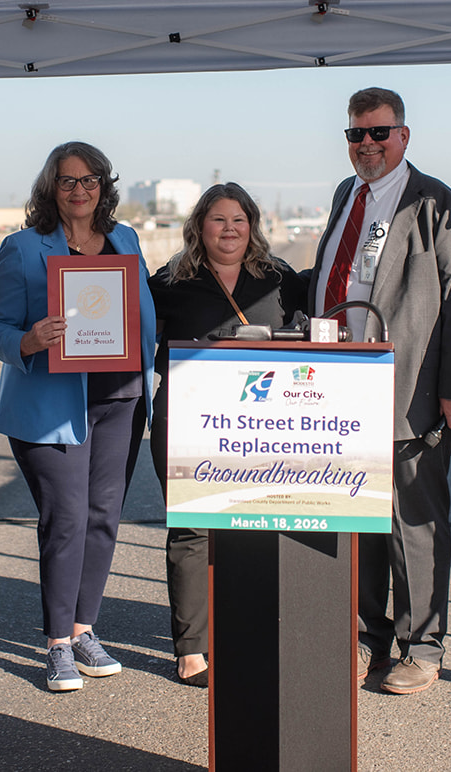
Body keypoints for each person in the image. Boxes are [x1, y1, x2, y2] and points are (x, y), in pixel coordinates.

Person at [309, 86, 451, 696]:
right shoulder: (345, 194)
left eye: (379, 132)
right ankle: (368, 637)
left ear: (403, 136)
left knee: (414, 523)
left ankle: (423, 647)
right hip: (342, 387)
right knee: (360, 519)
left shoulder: (435, 202)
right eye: (356, 134)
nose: (367, 144)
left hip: (409, 390)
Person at [0, 142, 158, 692]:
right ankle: (57, 643)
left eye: (89, 180)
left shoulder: (126, 240)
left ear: (104, 186)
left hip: (122, 400)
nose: (79, 190)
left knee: (104, 516)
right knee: (67, 519)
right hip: (52, 406)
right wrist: (29, 340)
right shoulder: (22, 248)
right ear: (50, 188)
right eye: (67, 181)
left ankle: (84, 630)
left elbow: (146, 312)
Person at [147, 183, 308, 686]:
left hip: (261, 426)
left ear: (252, 225)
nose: (230, 229)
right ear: (200, 226)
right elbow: (126, 330)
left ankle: (248, 630)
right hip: (187, 419)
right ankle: (192, 648)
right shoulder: (170, 281)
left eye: (239, 219)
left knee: (256, 525)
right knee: (192, 527)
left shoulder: (279, 279)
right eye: (218, 219)